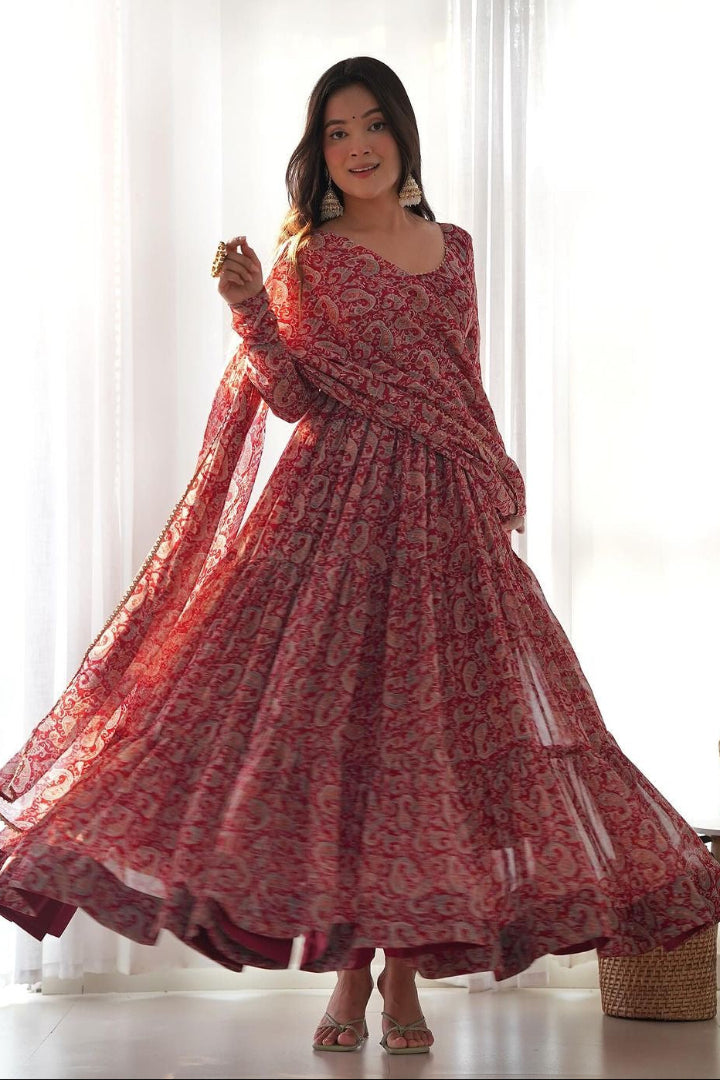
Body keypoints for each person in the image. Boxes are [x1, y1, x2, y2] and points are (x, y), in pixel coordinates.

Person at [1, 55, 719, 1058]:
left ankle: (403, 980)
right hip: (332, 515)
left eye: (372, 124)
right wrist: (252, 304)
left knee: (426, 752)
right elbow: (294, 397)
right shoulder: (311, 259)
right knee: (346, 747)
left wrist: (495, 472)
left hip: (444, 517)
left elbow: (460, 380)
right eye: (337, 131)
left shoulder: (454, 250)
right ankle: (351, 976)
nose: (359, 145)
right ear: (320, 151)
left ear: (402, 135)